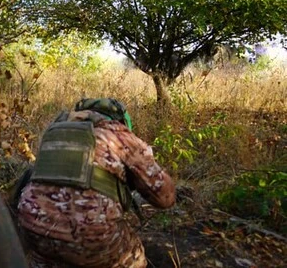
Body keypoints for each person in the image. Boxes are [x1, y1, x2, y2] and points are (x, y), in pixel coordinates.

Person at [16, 98, 176, 268]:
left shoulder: (53, 132)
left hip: (33, 229)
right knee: (134, 258)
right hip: (92, 237)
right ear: (120, 120)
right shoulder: (119, 134)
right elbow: (165, 198)